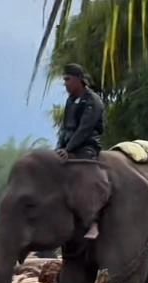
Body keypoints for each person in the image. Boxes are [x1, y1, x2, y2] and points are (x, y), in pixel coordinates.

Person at [55, 63, 105, 239]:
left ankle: (94, 222)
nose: (65, 84)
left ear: (78, 80)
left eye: (68, 79)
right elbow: (65, 128)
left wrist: (69, 149)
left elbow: (84, 129)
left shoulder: (93, 101)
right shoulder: (70, 101)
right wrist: (60, 149)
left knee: (87, 176)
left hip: (87, 146)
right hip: (68, 146)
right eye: (64, 80)